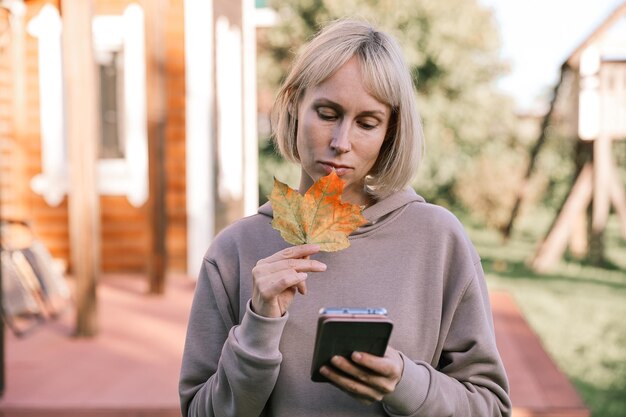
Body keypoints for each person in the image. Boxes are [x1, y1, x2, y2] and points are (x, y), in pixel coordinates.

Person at [179, 18, 511, 417]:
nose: (341, 143)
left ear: (390, 132)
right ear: (294, 105)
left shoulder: (437, 240)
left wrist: (405, 383)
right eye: (326, 112)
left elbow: (490, 407)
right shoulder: (234, 251)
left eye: (367, 123)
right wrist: (257, 328)